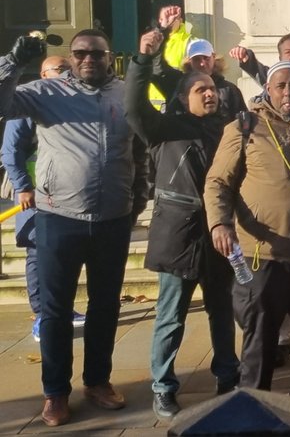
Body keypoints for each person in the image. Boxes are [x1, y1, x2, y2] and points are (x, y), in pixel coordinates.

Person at [0, 31, 149, 427]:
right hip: (57, 218)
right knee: (55, 311)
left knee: (105, 306)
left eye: (96, 54)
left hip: (112, 220)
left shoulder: (125, 94)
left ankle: (98, 381)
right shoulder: (47, 93)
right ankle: (55, 392)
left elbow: (140, 151)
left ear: (108, 57)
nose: (88, 60)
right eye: (81, 53)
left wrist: (138, 200)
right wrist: (13, 62)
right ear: (71, 56)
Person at [205, 61, 290, 405]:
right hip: (261, 253)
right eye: (281, 86)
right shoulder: (245, 126)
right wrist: (219, 223)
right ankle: (253, 405)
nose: (288, 92)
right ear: (268, 89)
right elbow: (218, 181)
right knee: (260, 335)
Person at [126, 30, 238, 419]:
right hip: (177, 234)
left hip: (219, 235)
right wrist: (143, 61)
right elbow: (135, 107)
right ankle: (163, 386)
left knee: (221, 310)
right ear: (182, 96)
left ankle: (228, 376)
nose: (209, 93)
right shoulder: (164, 129)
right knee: (171, 315)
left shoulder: (227, 129)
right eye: (199, 90)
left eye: (212, 88)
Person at [0, 56, 83, 343]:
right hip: (32, 191)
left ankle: (62, 310)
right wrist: (23, 187)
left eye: (67, 70)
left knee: (61, 253)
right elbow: (10, 151)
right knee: (36, 250)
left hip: (63, 192)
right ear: (43, 73)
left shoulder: (69, 100)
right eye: (59, 70)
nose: (65, 75)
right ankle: (40, 316)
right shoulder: (28, 101)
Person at [153, 37, 246, 120]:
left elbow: (242, 123)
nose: (202, 63)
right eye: (197, 59)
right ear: (189, 61)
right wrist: (162, 32)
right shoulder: (178, 84)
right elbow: (158, 68)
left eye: (206, 58)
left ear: (214, 58)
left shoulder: (230, 90)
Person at [147, 2, 196, 111]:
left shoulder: (191, 42)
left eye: (174, 19)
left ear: (181, 20)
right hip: (153, 104)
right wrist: (163, 28)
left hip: (176, 100)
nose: (169, 21)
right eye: (163, 19)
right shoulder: (154, 41)